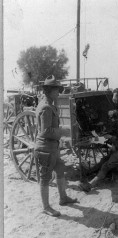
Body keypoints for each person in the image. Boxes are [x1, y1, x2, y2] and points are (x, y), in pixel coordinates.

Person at [34, 75, 77, 217]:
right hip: (45, 148)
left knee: (60, 170)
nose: (59, 93)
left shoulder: (50, 104)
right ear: (49, 91)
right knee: (45, 178)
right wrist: (62, 131)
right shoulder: (46, 107)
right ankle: (46, 207)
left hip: (52, 147)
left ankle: (63, 198)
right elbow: (45, 131)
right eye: (56, 90)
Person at [79, 110, 118, 192]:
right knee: (103, 160)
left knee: (105, 166)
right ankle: (88, 172)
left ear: (116, 119)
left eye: (111, 119)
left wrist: (110, 137)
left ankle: (89, 185)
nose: (110, 120)